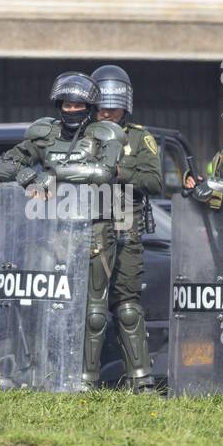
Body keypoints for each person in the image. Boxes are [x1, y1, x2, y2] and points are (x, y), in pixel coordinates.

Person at [0, 71, 124, 389]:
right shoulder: (45, 134)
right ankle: (42, 371)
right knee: (43, 303)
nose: (72, 109)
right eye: (66, 103)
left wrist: (54, 173)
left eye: (79, 104)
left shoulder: (105, 134)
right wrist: (29, 177)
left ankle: (85, 378)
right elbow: (0, 167)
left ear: (90, 106)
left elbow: (104, 172)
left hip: (93, 229)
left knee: (93, 311)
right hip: (51, 232)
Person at [92, 64, 161, 392]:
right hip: (85, 227)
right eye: (101, 104)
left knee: (128, 306)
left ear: (125, 105)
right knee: (88, 308)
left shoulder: (139, 136)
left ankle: (141, 381)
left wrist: (120, 171)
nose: (106, 111)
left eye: (113, 105)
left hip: (125, 228)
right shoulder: (82, 131)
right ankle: (82, 380)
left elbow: (154, 181)